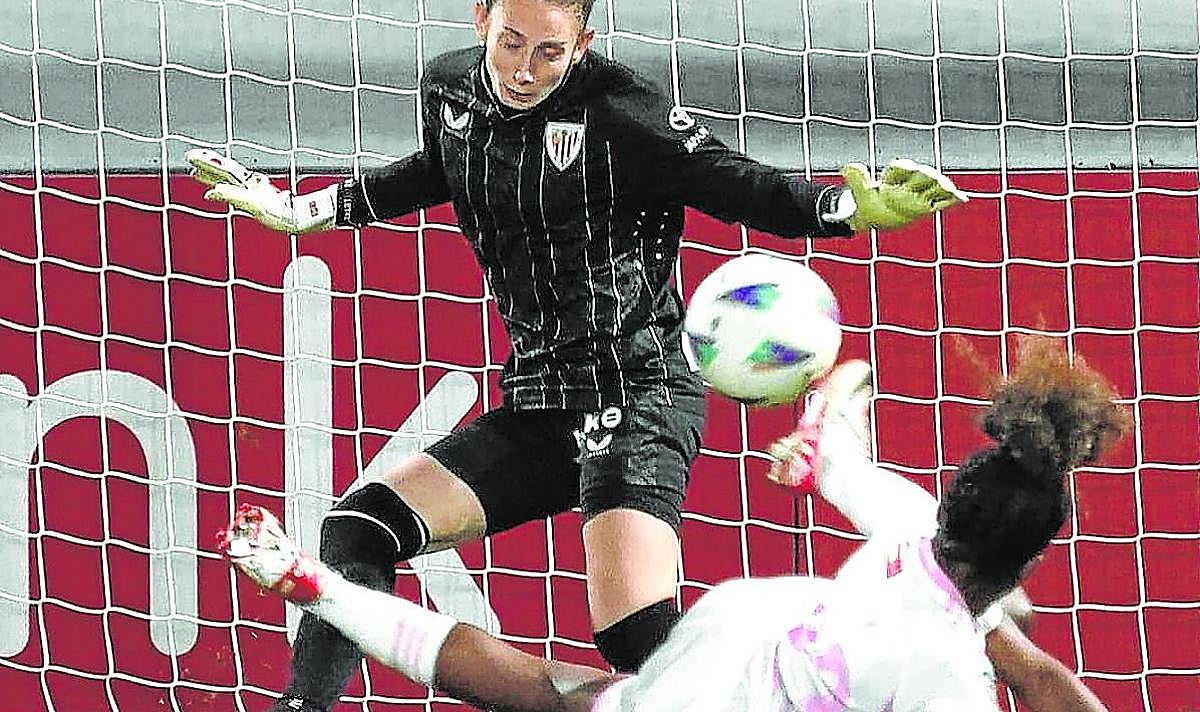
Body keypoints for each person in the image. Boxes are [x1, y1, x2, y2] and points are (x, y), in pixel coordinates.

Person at [189, 0, 967, 711]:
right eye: (510, 41)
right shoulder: (450, 89)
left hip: (637, 394)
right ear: (482, 17)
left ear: (583, 45)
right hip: (539, 400)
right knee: (359, 528)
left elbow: (739, 184)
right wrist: (302, 209)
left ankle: (803, 689)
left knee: (637, 642)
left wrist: (844, 211)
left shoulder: (621, 112)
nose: (523, 68)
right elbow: (436, 168)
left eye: (549, 53)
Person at [220, 338, 1126, 711]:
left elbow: (848, 390)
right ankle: (323, 586)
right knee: (560, 692)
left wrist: (823, 422)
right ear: (1024, 566)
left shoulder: (905, 520)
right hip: (746, 678)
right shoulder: (950, 675)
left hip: (738, 632)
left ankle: (323, 585)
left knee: (566, 692)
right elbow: (1031, 671)